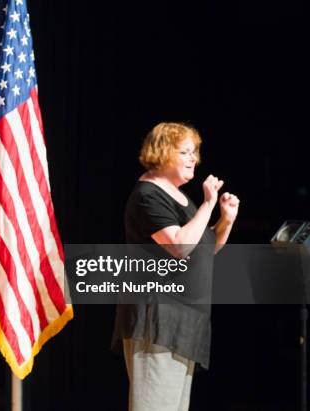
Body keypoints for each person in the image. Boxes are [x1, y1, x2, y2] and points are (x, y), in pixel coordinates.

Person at [113, 122, 240, 411]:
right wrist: (208, 205)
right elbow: (179, 246)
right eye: (185, 152)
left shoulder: (180, 198)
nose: (193, 158)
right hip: (158, 320)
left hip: (184, 321)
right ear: (162, 153)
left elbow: (203, 251)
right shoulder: (148, 195)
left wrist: (226, 220)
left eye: (195, 152)